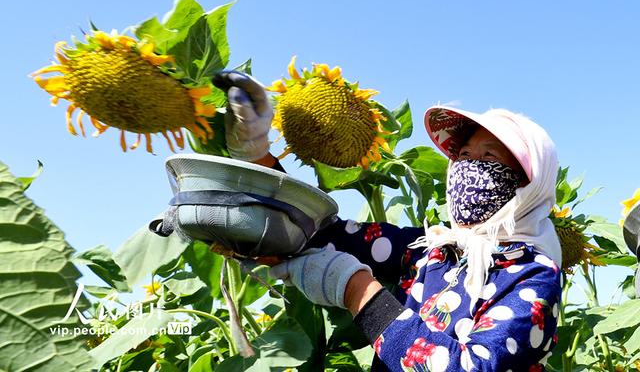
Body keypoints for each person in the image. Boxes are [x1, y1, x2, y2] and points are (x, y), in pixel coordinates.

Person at [216, 71, 562, 371]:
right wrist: (258, 153)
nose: (470, 167)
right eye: (465, 155)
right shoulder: (432, 253)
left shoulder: (533, 274)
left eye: (488, 156)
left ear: (528, 183)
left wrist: (356, 290)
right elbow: (323, 234)